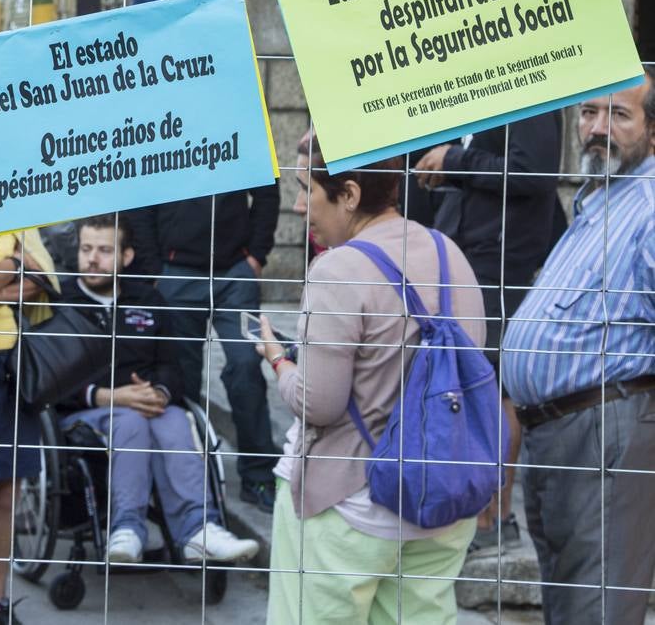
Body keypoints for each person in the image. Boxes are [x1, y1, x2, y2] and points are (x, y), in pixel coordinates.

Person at [258, 135, 485, 624]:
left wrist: (279, 360)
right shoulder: (451, 255)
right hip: (440, 504)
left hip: (349, 508)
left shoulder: (336, 269)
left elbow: (318, 404)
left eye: (307, 189)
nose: (299, 207)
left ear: (351, 195)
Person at [501, 73, 655, 625]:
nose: (597, 129)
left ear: (653, 131)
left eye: (619, 116)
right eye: (589, 113)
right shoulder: (602, 197)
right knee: (570, 600)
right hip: (560, 432)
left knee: (598, 603)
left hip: (605, 429)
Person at [57, 215, 259, 566]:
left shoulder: (149, 300)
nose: (92, 259)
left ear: (127, 256)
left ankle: (201, 529)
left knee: (177, 419)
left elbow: (172, 366)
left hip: (149, 407)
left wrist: (161, 393)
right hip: (84, 411)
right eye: (86, 249)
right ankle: (127, 528)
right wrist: (111, 396)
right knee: (131, 423)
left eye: (104, 251)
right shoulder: (61, 302)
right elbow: (49, 380)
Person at [413, 111, 564, 551]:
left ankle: (494, 516)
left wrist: (455, 160)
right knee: (469, 384)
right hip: (469, 253)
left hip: (501, 262)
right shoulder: (481, 92)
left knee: (495, 389)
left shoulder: (531, 92)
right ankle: (473, 509)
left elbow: (532, 173)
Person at [125, 184, 282, 511]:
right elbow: (140, 202)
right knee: (181, 379)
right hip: (176, 273)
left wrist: (256, 255)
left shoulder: (248, 130)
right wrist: (156, 270)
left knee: (246, 366)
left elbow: (268, 193)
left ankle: (258, 476)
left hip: (234, 274)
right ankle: (192, 476)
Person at [0, 228, 59, 625]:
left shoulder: (9, 206)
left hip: (8, 359)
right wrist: (11, 265)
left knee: (5, 486)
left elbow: (43, 277)